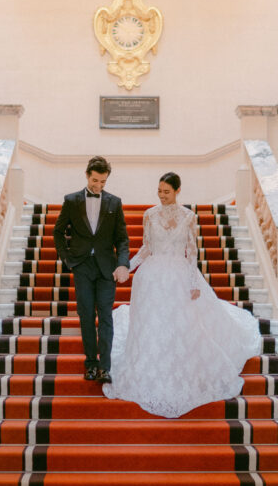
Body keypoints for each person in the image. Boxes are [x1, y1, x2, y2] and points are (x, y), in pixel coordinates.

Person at [103, 172, 262, 418]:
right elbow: (146, 248)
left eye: (166, 191)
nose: (162, 195)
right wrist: (128, 266)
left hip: (178, 274)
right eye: (159, 191)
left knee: (179, 325)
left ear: (177, 191)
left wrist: (192, 281)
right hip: (151, 277)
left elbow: (192, 252)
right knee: (152, 325)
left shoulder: (189, 217)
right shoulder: (150, 215)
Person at [53, 156, 130, 384]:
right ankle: (90, 363)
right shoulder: (72, 200)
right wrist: (68, 259)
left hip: (107, 268)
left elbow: (122, 238)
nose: (98, 185)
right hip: (82, 266)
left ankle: (105, 367)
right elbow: (58, 232)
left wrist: (122, 263)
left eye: (103, 182)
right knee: (86, 315)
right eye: (95, 180)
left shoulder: (114, 203)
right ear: (87, 175)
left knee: (106, 316)